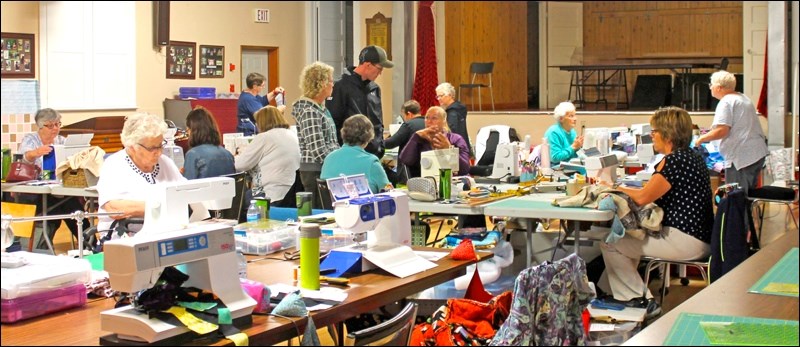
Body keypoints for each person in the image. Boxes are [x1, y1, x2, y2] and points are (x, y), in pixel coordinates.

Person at [598, 106, 713, 318]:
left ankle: (640, 301)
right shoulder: (692, 157)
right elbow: (649, 192)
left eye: (654, 131)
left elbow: (642, 197)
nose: (651, 136)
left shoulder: (673, 161)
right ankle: (608, 293)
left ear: (667, 134)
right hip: (701, 237)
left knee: (611, 243)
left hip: (686, 240)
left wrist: (611, 186)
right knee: (627, 239)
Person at [96, 113, 186, 232]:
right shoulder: (114, 165)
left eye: (160, 145)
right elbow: (114, 208)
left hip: (164, 232)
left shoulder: (166, 163)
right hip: (124, 237)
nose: (158, 152)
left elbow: (185, 191)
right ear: (132, 146)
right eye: (152, 148)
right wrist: (159, 207)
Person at [17, 108, 87, 249]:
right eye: (51, 125)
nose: (55, 128)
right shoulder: (31, 139)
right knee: (66, 205)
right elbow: (23, 157)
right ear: (41, 126)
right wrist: (36, 153)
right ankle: (87, 242)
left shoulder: (61, 140)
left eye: (58, 124)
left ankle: (88, 242)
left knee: (70, 203)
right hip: (36, 188)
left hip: (58, 185)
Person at [695, 70, 768, 195]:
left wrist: (700, 139)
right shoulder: (742, 98)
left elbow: (722, 130)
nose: (710, 87)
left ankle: (739, 215)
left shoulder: (726, 102)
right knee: (746, 195)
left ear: (718, 87)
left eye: (711, 85)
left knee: (737, 197)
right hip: (754, 154)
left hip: (742, 157)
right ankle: (745, 215)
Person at [326, 45, 393, 159]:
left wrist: (380, 146)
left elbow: (378, 121)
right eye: (379, 68)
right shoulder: (341, 86)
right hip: (350, 154)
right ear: (367, 65)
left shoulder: (375, 88)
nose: (380, 73)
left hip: (374, 154)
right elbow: (333, 122)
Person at [292, 61, 339, 209]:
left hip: (324, 167)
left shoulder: (321, 109)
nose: (333, 85)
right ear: (321, 83)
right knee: (319, 214)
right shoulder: (310, 111)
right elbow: (317, 149)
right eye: (331, 81)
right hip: (316, 170)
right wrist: (336, 163)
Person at [235, 105, 300, 205]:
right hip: (290, 193)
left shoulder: (264, 137)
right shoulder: (292, 134)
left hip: (270, 194)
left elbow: (240, 165)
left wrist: (238, 155)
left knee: (236, 200)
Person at [322, 114, 392, 194]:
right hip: (363, 205)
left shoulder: (329, 158)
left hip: (335, 206)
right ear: (369, 136)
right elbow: (388, 191)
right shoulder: (371, 162)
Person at [399, 106, 471, 178]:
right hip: (426, 183)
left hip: (453, 182)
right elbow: (405, 161)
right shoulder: (420, 140)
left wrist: (449, 149)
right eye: (427, 118)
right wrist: (415, 137)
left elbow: (465, 169)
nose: (429, 121)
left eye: (434, 118)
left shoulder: (456, 139)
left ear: (444, 121)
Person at [183, 106, 235, 180]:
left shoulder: (192, 155)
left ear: (192, 131)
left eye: (187, 130)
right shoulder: (228, 154)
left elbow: (187, 186)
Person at [385, 100, 426, 184]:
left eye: (404, 115)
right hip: (425, 165)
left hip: (410, 169)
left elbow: (391, 143)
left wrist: (378, 142)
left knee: (385, 170)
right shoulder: (428, 122)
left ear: (409, 114)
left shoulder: (408, 125)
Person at [436, 82, 472, 158]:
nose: (439, 99)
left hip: (455, 150)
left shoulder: (452, 112)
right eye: (437, 96)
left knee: (450, 170)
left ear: (449, 95)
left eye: (441, 96)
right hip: (463, 147)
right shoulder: (460, 108)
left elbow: (451, 130)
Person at [544, 101, 584, 166]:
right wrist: (573, 147)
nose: (575, 119)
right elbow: (555, 158)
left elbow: (574, 155)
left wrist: (579, 147)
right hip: (556, 169)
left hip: (571, 166)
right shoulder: (553, 132)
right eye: (571, 116)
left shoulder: (572, 131)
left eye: (574, 115)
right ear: (561, 119)